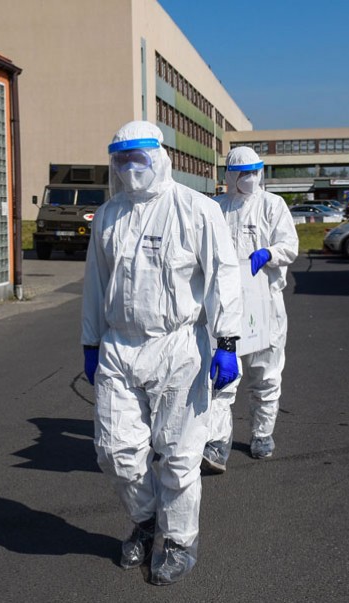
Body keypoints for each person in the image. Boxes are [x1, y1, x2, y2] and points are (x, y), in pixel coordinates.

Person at [81, 121, 242, 586]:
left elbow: (223, 275)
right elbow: (95, 283)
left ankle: (178, 541)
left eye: (138, 157)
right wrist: (90, 341)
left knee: (178, 454)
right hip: (118, 346)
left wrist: (227, 342)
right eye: (120, 159)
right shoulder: (108, 215)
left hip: (179, 346)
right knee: (115, 451)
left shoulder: (196, 209)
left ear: (159, 156)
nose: (129, 167)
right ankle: (146, 519)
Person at [202, 146, 299, 474]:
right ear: (230, 175)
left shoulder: (273, 205)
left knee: (266, 374)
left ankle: (262, 434)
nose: (250, 178)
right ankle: (217, 443)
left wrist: (269, 253)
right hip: (224, 305)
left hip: (264, 304)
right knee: (220, 377)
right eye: (243, 173)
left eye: (255, 172)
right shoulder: (216, 207)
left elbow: (290, 246)